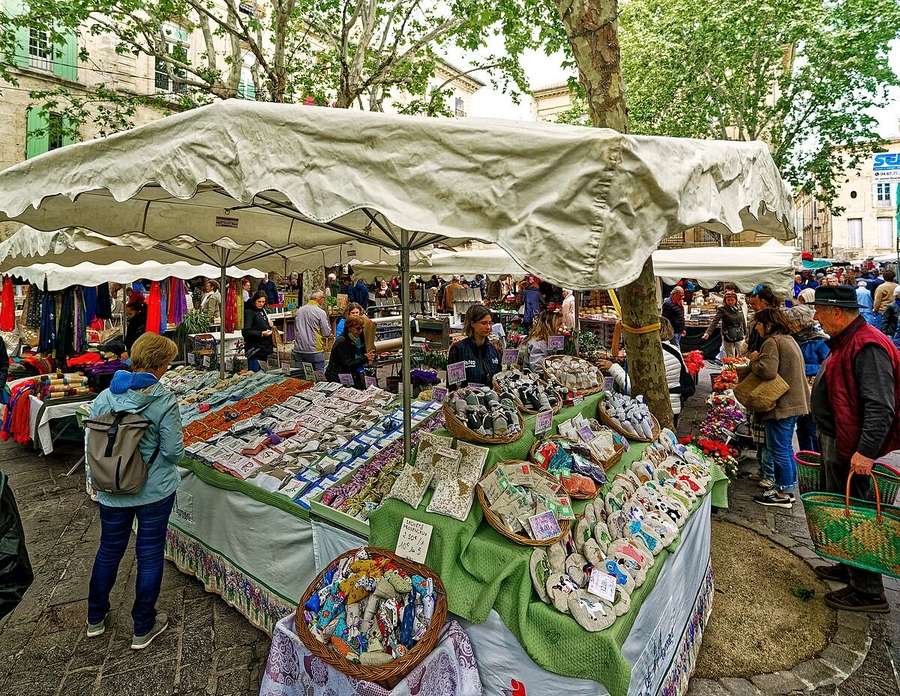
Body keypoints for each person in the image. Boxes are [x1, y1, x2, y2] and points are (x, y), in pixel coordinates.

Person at [86, 333, 183, 649]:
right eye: (167, 364)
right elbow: (173, 452)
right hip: (154, 490)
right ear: (159, 365)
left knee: (108, 550)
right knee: (150, 553)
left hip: (112, 488)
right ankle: (143, 626)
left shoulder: (105, 396)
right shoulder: (163, 400)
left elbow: (94, 444)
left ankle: (95, 617)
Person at [808, 285, 899, 613]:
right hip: (840, 440)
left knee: (858, 515)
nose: (816, 316)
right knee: (842, 508)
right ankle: (848, 566)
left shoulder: (867, 345)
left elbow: (880, 405)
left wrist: (867, 452)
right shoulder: (848, 340)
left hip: (852, 447)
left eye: (820, 310)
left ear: (836, 312)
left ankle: (868, 591)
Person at [746, 308, 810, 508]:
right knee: (785, 448)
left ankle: (783, 493)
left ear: (768, 324)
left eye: (759, 323)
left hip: (782, 404)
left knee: (779, 449)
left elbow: (768, 371)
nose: (757, 327)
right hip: (794, 403)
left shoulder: (772, 342)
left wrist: (754, 360)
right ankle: (787, 489)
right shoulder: (789, 339)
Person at [785, 288, 829, 452]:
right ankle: (805, 457)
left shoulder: (819, 340)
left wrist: (802, 368)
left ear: (801, 322)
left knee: (812, 428)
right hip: (797, 389)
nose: (790, 325)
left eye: (793, 322)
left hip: (813, 390)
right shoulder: (792, 339)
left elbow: (826, 366)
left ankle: (816, 458)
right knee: (803, 427)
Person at [447, 305, 500, 387]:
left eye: (490, 323)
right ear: (472, 323)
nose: (488, 327)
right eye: (483, 323)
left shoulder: (493, 350)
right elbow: (453, 386)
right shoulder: (458, 350)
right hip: (467, 395)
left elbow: (498, 378)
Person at [325, 316, 372, 388]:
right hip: (338, 376)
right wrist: (365, 358)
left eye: (362, 328)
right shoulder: (342, 341)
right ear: (349, 328)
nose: (360, 331)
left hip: (348, 373)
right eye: (358, 328)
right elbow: (348, 363)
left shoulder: (356, 338)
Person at [660, 317, 690, 425]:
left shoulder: (653, 353)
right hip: (675, 402)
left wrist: (614, 368)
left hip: (660, 404)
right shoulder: (675, 349)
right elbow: (685, 371)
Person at [293, 291, 332, 372]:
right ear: (320, 299)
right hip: (314, 350)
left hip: (298, 349)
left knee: (300, 375)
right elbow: (326, 332)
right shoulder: (320, 312)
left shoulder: (299, 311)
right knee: (319, 376)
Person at [703, 290, 746, 357]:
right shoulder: (722, 309)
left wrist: (745, 332)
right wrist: (708, 333)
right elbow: (715, 321)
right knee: (730, 355)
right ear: (725, 300)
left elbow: (742, 320)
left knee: (742, 353)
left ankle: (741, 364)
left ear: (736, 300)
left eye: (732, 300)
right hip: (728, 334)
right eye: (728, 300)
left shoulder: (739, 308)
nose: (730, 302)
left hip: (739, 334)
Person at [242, 291, 275, 372]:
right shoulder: (249, 312)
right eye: (259, 301)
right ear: (254, 301)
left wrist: (268, 324)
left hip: (264, 349)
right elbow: (246, 331)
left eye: (263, 302)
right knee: (254, 373)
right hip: (255, 350)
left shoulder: (262, 311)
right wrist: (261, 333)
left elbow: (261, 324)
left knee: (263, 373)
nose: (261, 304)